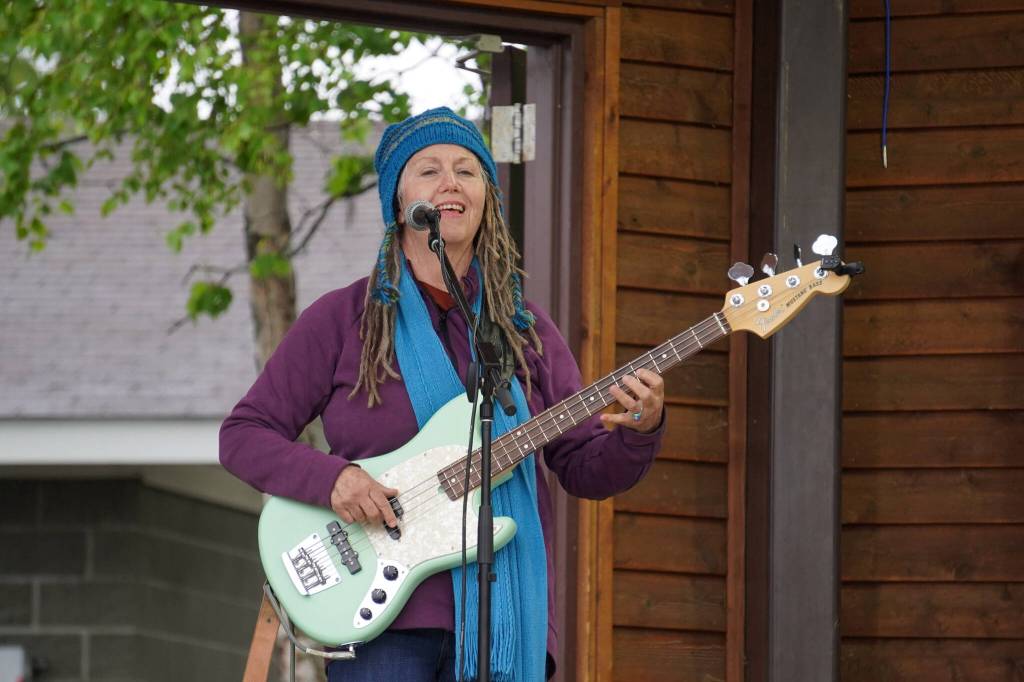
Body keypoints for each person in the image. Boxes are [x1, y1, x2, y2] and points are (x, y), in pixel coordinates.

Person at [220, 107, 665, 682]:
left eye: (467, 170)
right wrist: (333, 480)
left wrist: (640, 429)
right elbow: (243, 436)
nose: (450, 182)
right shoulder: (343, 319)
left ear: (487, 200)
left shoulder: (524, 330)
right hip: (383, 625)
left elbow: (582, 466)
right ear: (398, 202)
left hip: (503, 620)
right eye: (429, 170)